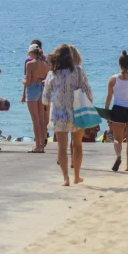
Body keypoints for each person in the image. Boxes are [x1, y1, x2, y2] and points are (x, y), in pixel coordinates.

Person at [42, 44, 93, 186]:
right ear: (70, 57)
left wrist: (48, 111)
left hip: (59, 115)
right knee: (77, 145)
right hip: (77, 113)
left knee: (61, 148)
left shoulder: (52, 74)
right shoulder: (78, 71)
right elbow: (88, 92)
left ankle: (66, 178)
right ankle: (76, 176)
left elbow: (45, 97)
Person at [104, 50, 128, 172]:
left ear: (119, 64)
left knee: (117, 138)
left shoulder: (113, 79)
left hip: (117, 109)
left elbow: (109, 96)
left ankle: (118, 156)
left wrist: (105, 110)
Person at [23, 45, 49, 153]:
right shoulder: (45, 64)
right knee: (41, 118)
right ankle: (42, 144)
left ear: (32, 53)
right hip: (41, 88)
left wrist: (23, 80)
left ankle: (37, 145)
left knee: (35, 119)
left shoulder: (30, 64)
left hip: (32, 88)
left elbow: (28, 81)